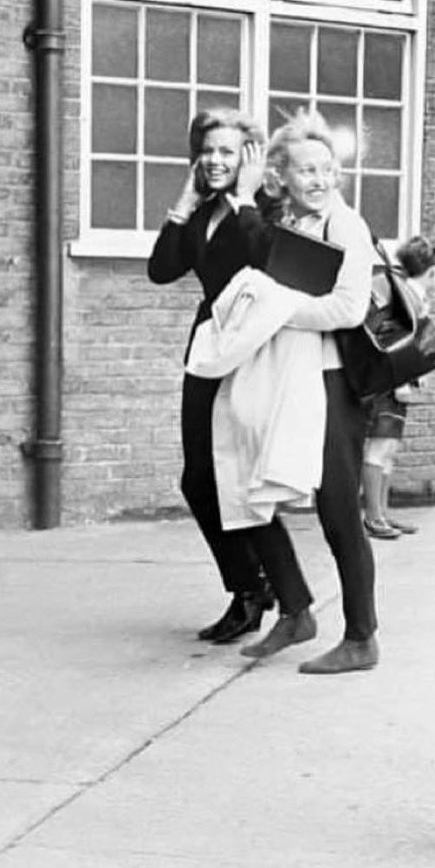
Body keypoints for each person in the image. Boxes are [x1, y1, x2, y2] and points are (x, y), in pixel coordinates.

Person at [237, 109, 383, 674]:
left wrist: (278, 312)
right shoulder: (292, 221)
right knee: (255, 489)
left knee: (339, 507)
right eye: (306, 171)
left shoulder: (345, 226)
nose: (320, 180)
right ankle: (296, 610)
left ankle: (362, 636)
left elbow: (347, 309)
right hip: (293, 376)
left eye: (327, 169)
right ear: (283, 176)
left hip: (334, 381)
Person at [147, 108, 277, 645]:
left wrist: (247, 197)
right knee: (197, 478)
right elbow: (161, 270)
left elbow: (264, 258)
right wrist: (182, 204)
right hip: (209, 346)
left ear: (249, 156)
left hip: (253, 347)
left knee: (242, 476)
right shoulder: (203, 214)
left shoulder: (267, 208)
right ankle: (251, 583)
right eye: (208, 151)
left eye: (228, 151)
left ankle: (255, 590)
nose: (216, 160)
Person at [361, 235, 435, 540]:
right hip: (389, 384)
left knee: (389, 449)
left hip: (398, 383)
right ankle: (373, 516)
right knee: (378, 447)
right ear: (431, 270)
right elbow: (394, 342)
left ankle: (382, 512)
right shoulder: (405, 295)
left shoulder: (412, 294)